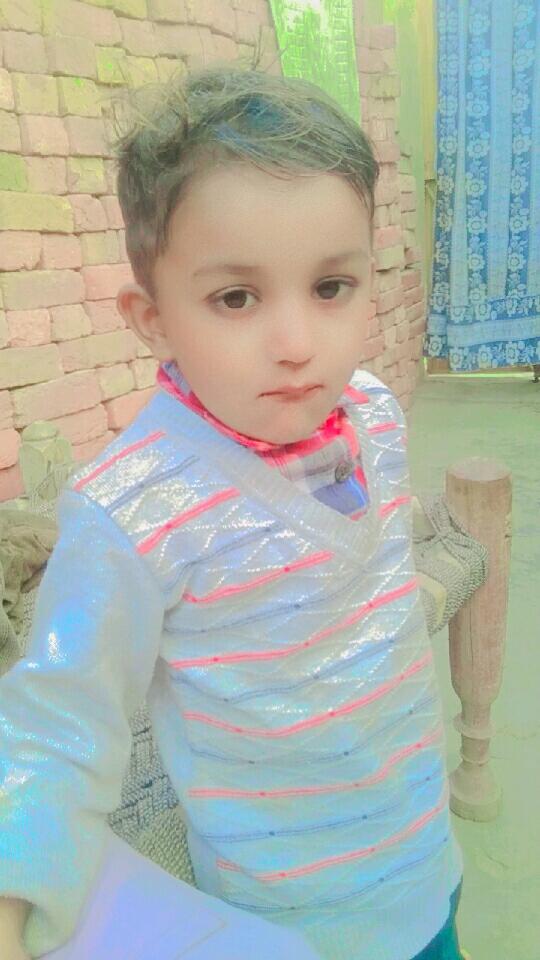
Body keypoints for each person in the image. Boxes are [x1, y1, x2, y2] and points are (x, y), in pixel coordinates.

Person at [0, 60, 469, 960]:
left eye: (330, 287)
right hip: (281, 922)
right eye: (236, 298)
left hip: (423, 859)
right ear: (152, 318)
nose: (297, 345)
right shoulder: (133, 513)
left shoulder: (373, 415)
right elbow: (55, 725)